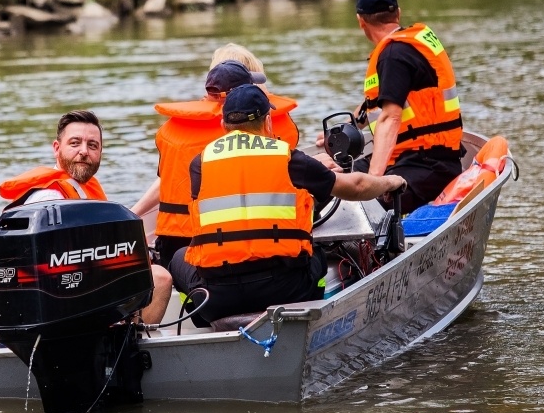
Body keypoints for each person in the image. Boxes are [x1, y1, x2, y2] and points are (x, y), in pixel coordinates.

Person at [169, 84, 406, 323]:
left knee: (178, 258)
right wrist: (390, 182)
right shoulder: (288, 158)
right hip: (285, 291)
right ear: (267, 122)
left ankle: (201, 321)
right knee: (315, 250)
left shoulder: (199, 164)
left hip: (217, 299)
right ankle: (311, 319)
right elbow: (356, 186)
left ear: (223, 125)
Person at [131, 45, 300, 269]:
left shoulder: (173, 130)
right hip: (248, 244)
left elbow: (171, 180)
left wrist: (133, 214)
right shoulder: (275, 124)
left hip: (178, 243)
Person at [0, 110, 172, 324]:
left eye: (92, 145)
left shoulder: (84, 190)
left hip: (79, 289)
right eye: (75, 143)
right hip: (56, 303)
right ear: (57, 148)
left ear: (100, 152)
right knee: (159, 278)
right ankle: (126, 339)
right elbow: (50, 272)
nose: (84, 151)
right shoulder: (49, 199)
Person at [317, 0, 464, 213]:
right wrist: (344, 131)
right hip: (413, 158)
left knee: (360, 209)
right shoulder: (409, 44)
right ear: (398, 13)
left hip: (426, 165)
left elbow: (390, 117)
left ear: (361, 21)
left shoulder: (393, 55)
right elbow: (375, 104)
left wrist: (372, 182)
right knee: (327, 181)